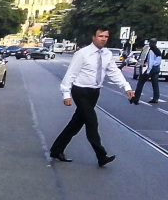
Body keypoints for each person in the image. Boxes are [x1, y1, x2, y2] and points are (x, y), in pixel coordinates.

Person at [50, 26, 134, 167]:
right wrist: (66, 93)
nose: (103, 39)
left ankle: (56, 150)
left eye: (106, 37)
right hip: (80, 91)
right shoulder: (83, 53)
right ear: (93, 37)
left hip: (94, 92)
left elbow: (114, 72)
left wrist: (126, 87)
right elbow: (71, 73)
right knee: (92, 122)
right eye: (101, 36)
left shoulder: (107, 54)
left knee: (76, 124)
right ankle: (101, 155)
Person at [131, 39, 162, 105]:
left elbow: (150, 62)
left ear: (151, 43)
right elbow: (159, 61)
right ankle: (156, 98)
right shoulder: (158, 51)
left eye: (150, 43)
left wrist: (148, 71)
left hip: (152, 69)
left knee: (140, 82)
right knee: (155, 84)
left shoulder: (151, 51)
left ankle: (136, 98)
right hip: (157, 68)